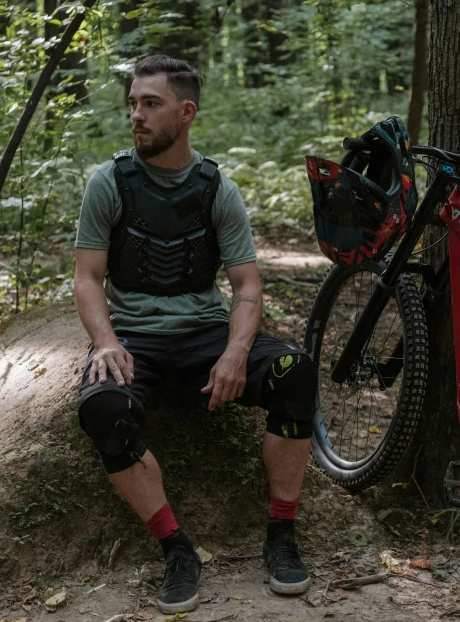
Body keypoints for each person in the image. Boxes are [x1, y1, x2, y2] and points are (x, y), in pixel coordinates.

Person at [74, 55, 318, 615]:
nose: (136, 114)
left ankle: (282, 534)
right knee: (105, 411)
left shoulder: (217, 189)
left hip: (206, 333)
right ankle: (176, 549)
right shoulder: (108, 182)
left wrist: (236, 353)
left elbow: (247, 285)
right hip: (132, 335)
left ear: (186, 113)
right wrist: (107, 343)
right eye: (133, 102)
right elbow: (88, 279)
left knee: (294, 375)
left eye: (150, 104)